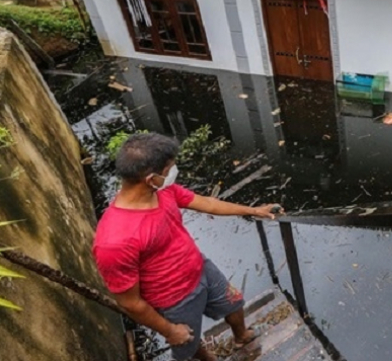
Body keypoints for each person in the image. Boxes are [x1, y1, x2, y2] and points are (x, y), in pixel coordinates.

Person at [93, 133, 282, 361]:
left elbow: (207, 203)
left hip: (200, 268)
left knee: (233, 303)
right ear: (151, 178)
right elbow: (130, 303)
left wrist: (254, 211)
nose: (174, 172)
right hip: (173, 298)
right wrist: (169, 330)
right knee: (187, 341)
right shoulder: (114, 241)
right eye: (170, 168)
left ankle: (241, 336)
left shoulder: (162, 191)